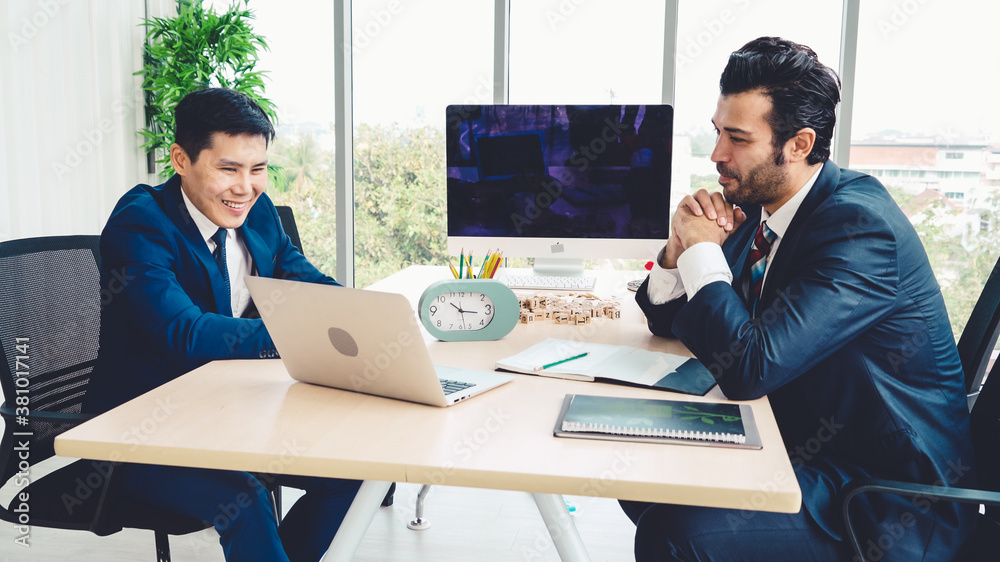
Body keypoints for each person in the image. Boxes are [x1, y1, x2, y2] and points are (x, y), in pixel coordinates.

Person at [622, 37, 976, 561]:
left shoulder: (860, 227)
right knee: (641, 480)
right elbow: (671, 321)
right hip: (799, 443)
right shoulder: (763, 209)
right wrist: (679, 252)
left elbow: (746, 367)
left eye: (738, 139)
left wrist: (705, 253)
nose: (717, 154)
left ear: (799, 144)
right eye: (718, 131)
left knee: (672, 533)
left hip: (885, 499)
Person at [83, 88, 361, 562]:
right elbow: (186, 334)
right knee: (245, 499)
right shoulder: (141, 223)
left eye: (258, 169)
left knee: (352, 471)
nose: (245, 187)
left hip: (224, 414)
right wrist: (300, 335)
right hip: (139, 430)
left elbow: (309, 287)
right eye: (228, 169)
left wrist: (360, 316)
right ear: (181, 160)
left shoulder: (259, 213)